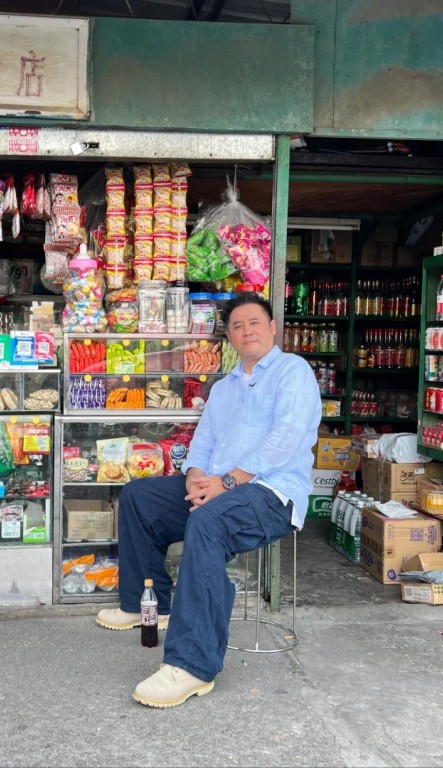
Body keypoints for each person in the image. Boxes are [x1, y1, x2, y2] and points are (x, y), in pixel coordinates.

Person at [95, 291, 321, 708]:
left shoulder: (293, 371)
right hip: (220, 487)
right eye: (237, 326)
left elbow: (285, 438)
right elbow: (203, 442)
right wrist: (197, 477)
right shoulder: (225, 387)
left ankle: (193, 664)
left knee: (209, 521)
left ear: (273, 328)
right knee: (138, 497)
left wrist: (227, 483)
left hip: (271, 496)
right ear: (230, 338)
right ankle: (146, 605)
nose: (246, 330)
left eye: (254, 322)